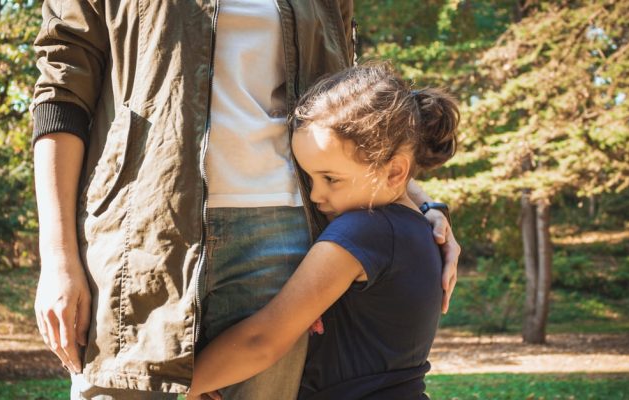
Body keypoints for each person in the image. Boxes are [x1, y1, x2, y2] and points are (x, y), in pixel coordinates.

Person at [30, 1, 460, 398]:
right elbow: (62, 86)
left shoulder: (356, 229)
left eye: (327, 180)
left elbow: (354, 117)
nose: (321, 190)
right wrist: (56, 256)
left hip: (288, 239)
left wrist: (414, 201)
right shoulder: (360, 230)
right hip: (140, 236)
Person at [186, 63, 458, 400]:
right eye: (310, 178)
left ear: (394, 173)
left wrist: (187, 384)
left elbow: (263, 341)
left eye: (331, 179)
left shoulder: (363, 231)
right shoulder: (415, 228)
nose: (316, 196)